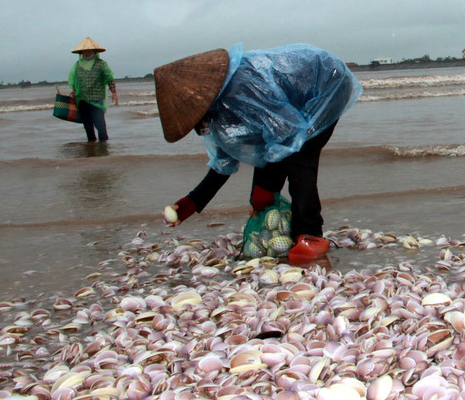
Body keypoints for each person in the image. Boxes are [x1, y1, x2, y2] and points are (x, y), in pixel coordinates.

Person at [154, 43, 362, 263]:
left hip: (328, 84)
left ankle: (311, 234)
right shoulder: (217, 108)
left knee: (300, 157)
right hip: (292, 109)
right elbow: (226, 158)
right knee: (270, 169)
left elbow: (289, 132)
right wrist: (191, 203)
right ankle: (286, 227)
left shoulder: (243, 87)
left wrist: (265, 185)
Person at [68, 37, 118, 142]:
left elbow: (109, 78)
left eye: (89, 51)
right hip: (81, 99)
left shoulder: (101, 64)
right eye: (85, 51)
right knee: (87, 125)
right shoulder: (77, 65)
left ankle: (104, 145)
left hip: (97, 99)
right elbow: (75, 81)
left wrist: (113, 92)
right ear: (81, 52)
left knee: (100, 124)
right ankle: (91, 145)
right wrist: (74, 91)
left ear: (94, 51)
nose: (87, 53)